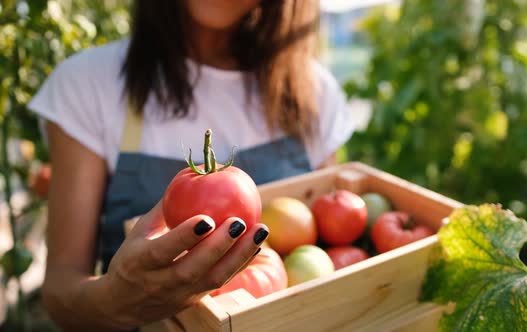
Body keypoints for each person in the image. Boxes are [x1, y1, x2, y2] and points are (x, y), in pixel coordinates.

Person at [28, 0, 354, 330]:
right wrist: (114, 302)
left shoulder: (315, 92)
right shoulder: (87, 84)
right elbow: (60, 292)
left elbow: (334, 234)